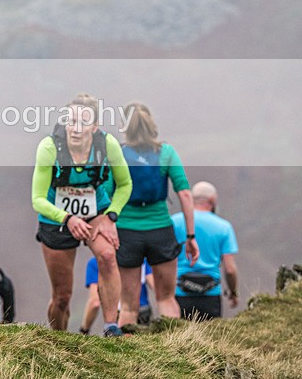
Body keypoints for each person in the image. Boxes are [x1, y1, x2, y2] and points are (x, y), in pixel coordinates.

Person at [31, 94, 133, 337]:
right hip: (57, 217)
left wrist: (111, 216)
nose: (76, 129)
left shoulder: (107, 145)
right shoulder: (50, 147)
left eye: (83, 122)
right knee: (62, 296)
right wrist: (67, 218)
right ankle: (58, 338)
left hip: (96, 212)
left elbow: (125, 184)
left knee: (107, 256)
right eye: (71, 121)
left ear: (94, 126)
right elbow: (38, 199)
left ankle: (111, 327)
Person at [112, 102, 199, 327]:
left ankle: (125, 347)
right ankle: (176, 345)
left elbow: (106, 194)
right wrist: (190, 236)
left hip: (125, 233)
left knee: (128, 306)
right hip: (160, 230)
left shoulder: (117, 154)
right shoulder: (166, 153)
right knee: (166, 298)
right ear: (151, 124)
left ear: (125, 127)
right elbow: (185, 194)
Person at [172, 181, 239, 320]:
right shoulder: (224, 227)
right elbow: (230, 269)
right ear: (213, 200)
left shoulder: (174, 222)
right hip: (210, 295)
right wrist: (233, 292)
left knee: (178, 333)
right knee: (211, 333)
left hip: (180, 293)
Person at [80, 257, 153, 334]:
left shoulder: (96, 263)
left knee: (122, 339)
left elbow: (94, 302)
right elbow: (155, 285)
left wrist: (84, 330)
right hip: (143, 311)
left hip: (118, 315)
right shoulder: (139, 257)